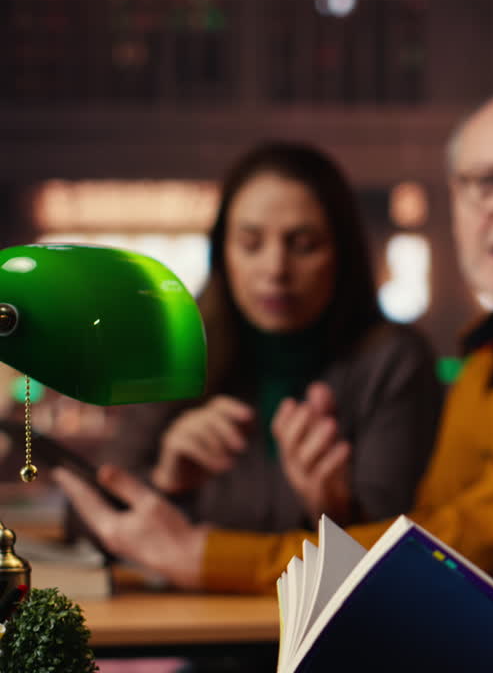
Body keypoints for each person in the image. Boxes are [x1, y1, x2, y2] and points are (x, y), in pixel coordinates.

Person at [57, 92, 493, 673]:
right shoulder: (487, 360)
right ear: (459, 204)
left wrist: (201, 552)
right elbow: (420, 546)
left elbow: (461, 548)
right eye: (487, 183)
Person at [96, 142, 443, 532]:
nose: (275, 268)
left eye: (304, 245)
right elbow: (86, 515)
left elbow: (402, 551)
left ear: (343, 254)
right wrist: (164, 483)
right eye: (250, 244)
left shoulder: (392, 360)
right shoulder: (181, 347)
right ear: (221, 254)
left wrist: (337, 512)